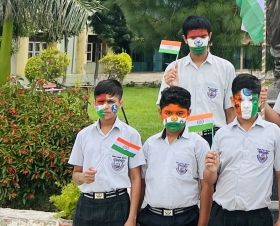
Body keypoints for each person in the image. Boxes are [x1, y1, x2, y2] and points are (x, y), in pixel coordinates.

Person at [204, 74, 280, 226]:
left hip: (257, 217)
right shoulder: (222, 134)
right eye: (240, 100)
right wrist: (211, 170)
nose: (246, 106)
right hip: (222, 216)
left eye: (251, 100)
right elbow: (210, 180)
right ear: (232, 101)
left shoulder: (273, 133)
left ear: (260, 100)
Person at [69, 79, 145, 226]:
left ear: (120, 103)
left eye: (111, 102)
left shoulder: (130, 135)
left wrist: (132, 218)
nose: (105, 106)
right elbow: (75, 175)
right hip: (87, 204)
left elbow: (136, 178)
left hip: (118, 204)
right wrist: (83, 177)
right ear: (94, 103)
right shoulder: (84, 135)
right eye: (100, 102)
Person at [138, 86, 211, 226]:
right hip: (152, 217)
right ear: (160, 112)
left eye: (180, 113)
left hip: (186, 218)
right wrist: (134, 216)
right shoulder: (150, 144)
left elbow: (206, 186)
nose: (173, 118)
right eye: (168, 112)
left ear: (189, 113)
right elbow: (142, 182)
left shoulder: (199, 145)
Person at [159, 15, 236, 146]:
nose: (198, 42)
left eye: (203, 37)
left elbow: (230, 110)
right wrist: (171, 87)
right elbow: (165, 109)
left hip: (216, 136)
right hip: (184, 135)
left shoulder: (226, 68)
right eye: (193, 38)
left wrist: (231, 140)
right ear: (185, 39)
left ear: (210, 36)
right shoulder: (173, 69)